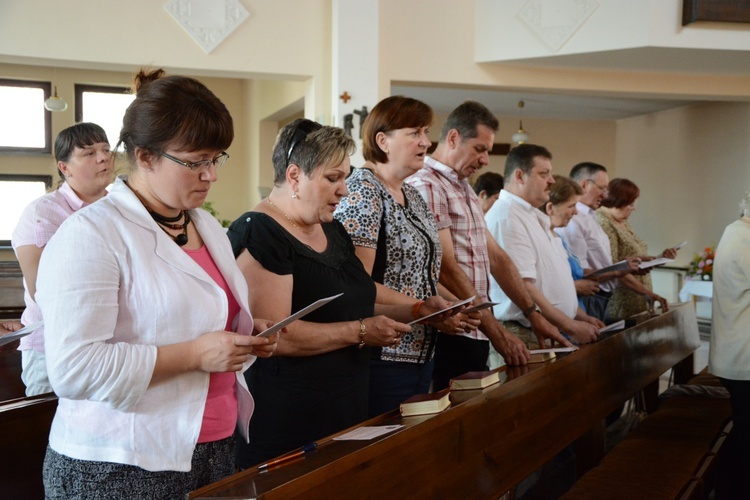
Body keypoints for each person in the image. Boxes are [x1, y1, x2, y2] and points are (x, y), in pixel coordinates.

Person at [36, 69, 277, 498]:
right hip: (120, 460)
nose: (211, 175)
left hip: (213, 443)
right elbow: (74, 368)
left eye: (216, 158)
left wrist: (246, 333)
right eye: (195, 161)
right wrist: (196, 353)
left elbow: (190, 315)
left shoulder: (206, 226)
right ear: (145, 156)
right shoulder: (91, 234)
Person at [228, 118, 413, 468]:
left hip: (343, 402)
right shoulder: (261, 233)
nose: (343, 190)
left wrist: (418, 309)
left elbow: (357, 293)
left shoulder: (333, 228)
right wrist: (359, 331)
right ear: (295, 176)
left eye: (345, 176)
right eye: (333, 178)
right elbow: (276, 336)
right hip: (289, 416)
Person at [407, 101, 571, 390]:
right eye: (480, 149)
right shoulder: (428, 185)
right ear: (454, 138)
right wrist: (498, 333)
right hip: (454, 329)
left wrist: (533, 313)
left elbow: (496, 257)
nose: (485, 160)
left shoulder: (463, 186)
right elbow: (445, 267)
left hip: (477, 327)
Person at [334, 96, 465, 416]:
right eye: (414, 133)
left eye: (426, 131)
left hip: (421, 349)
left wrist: (451, 305)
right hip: (383, 354)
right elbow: (357, 286)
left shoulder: (413, 194)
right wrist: (421, 307)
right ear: (383, 140)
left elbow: (425, 273)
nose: (426, 141)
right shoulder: (362, 190)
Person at [12, 122, 113, 396]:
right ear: (64, 168)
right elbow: (44, 292)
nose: (103, 157)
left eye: (105, 149)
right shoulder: (44, 212)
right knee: (48, 433)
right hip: (53, 348)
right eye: (89, 153)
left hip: (111, 349)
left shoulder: (120, 206)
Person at [485, 145, 601, 366]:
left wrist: (578, 316)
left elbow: (553, 281)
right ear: (520, 175)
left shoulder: (530, 215)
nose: (551, 181)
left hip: (544, 328)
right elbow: (523, 285)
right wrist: (570, 325)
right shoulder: (507, 216)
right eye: (543, 174)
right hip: (525, 332)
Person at [557, 162, 641, 321]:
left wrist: (621, 265)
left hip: (601, 295)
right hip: (589, 295)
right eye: (602, 188)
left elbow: (599, 260)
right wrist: (617, 271)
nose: (605, 195)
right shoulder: (573, 220)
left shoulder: (590, 216)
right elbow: (579, 272)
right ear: (584, 185)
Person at [710, 192, 750, 498]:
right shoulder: (745, 239)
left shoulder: (735, 231)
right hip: (743, 356)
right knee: (745, 439)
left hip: (738, 352)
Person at [596, 178, 676, 322]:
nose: (634, 208)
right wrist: (646, 292)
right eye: (632, 204)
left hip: (637, 295)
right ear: (620, 200)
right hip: (622, 300)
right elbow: (613, 266)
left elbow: (634, 256)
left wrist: (658, 258)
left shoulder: (622, 221)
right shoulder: (605, 224)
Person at [543, 175, 601, 310]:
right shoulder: (541, 238)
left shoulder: (557, 236)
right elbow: (541, 285)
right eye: (571, 206)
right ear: (550, 208)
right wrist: (574, 287)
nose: (575, 212)